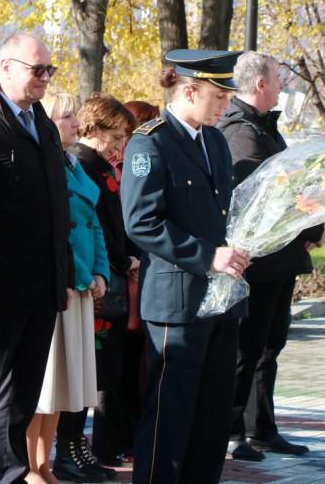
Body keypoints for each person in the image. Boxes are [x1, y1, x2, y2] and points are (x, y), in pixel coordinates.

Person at [121, 48, 250, 484]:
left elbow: (222, 212)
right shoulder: (150, 141)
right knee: (170, 419)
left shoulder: (214, 140)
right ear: (189, 90)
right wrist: (207, 255)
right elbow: (141, 222)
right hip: (177, 302)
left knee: (212, 418)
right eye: (218, 96)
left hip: (221, 299)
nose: (225, 105)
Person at [0, 33, 72, 484]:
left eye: (49, 70)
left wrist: (62, 274)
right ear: (5, 68)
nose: (44, 78)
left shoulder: (41, 123)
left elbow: (55, 208)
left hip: (42, 287)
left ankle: (10, 475)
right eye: (35, 69)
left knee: (21, 397)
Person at [217, 51, 325, 460]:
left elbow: (289, 187)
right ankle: (231, 433)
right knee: (249, 348)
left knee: (269, 345)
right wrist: (312, 223)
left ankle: (261, 427)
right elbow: (269, 196)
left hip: (279, 256)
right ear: (260, 84)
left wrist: (314, 214)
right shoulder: (242, 132)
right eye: (277, 79)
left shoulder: (261, 127)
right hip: (258, 262)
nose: (282, 85)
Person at [29, 92, 107, 484]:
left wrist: (100, 273)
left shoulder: (74, 164)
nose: (77, 124)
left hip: (79, 288)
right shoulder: (43, 165)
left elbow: (93, 225)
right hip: (55, 286)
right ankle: (29, 466)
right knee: (42, 384)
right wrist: (74, 275)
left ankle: (45, 463)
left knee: (64, 383)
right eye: (67, 117)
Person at [68, 93, 139, 475]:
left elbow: (115, 222)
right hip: (96, 282)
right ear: (92, 128)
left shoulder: (99, 165)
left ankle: (86, 446)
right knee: (89, 373)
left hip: (107, 279)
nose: (119, 145)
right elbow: (94, 226)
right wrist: (120, 259)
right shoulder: (84, 163)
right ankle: (75, 446)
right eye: (115, 136)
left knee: (104, 370)